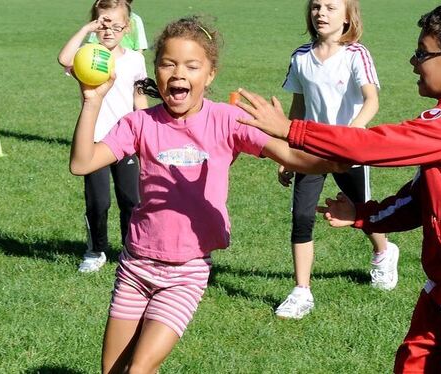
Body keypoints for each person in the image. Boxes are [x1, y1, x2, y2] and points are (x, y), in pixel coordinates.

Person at [236, 1, 441, 372]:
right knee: (411, 364)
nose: (413, 61)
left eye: (422, 54)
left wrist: (291, 131)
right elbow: (418, 197)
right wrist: (362, 215)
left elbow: (373, 145)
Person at [68, 16, 346, 373]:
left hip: (186, 272)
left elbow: (291, 156)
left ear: (210, 74)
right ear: (156, 70)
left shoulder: (226, 120)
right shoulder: (138, 123)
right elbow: (82, 162)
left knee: (138, 369)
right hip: (135, 266)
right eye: (168, 64)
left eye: (191, 66)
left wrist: (340, 158)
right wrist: (91, 100)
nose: (178, 73)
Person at [273, 0, 400, 320]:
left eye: (331, 7)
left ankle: (384, 253)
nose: (321, 13)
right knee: (302, 216)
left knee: (364, 213)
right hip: (310, 151)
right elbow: (298, 108)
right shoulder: (300, 57)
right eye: (317, 6)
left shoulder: (357, 54)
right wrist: (286, 153)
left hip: (349, 151)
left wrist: (351, 137)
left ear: (347, 16)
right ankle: (301, 292)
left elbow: (371, 101)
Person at [58, 0, 148, 273]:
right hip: (94, 141)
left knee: (130, 201)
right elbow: (64, 59)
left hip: (126, 142)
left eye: (116, 25)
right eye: (102, 24)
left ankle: (130, 251)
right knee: (98, 202)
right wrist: (87, 28)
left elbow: (140, 100)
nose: (109, 31)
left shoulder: (135, 58)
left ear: (127, 27)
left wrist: (145, 137)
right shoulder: (87, 55)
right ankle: (95, 251)